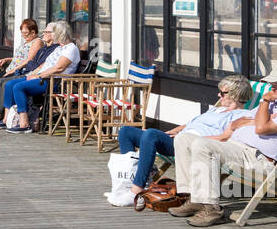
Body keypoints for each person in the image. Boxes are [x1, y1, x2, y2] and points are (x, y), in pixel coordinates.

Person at [168, 62, 277, 227]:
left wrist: (264, 101)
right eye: (271, 84)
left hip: (257, 157)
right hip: (236, 146)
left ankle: (211, 208)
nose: (272, 87)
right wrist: (261, 118)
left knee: (202, 146)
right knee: (183, 138)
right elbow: (237, 122)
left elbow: (261, 128)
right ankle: (194, 198)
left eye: (276, 83)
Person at [107, 75, 253, 206]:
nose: (218, 95)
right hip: (178, 138)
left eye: (223, 92)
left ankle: (136, 190)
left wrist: (185, 137)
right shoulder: (217, 109)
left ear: (235, 95)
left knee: (150, 134)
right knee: (126, 131)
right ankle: (127, 184)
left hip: (191, 145)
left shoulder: (241, 116)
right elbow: (190, 124)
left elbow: (224, 138)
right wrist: (173, 131)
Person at [2, 20, 80, 134]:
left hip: (53, 82)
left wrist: (38, 76)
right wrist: (32, 74)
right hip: (42, 77)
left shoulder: (71, 49)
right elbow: (45, 65)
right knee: (10, 84)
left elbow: (58, 68)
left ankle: (24, 124)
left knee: (18, 87)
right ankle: (6, 120)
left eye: (54, 33)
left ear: (61, 34)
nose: (52, 35)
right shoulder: (59, 48)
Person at [0, 24, 57, 127]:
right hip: (25, 71)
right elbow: (31, 62)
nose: (44, 34)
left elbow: (35, 63)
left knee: (6, 83)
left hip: (34, 75)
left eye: (46, 32)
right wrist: (9, 61)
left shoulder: (43, 44)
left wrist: (21, 69)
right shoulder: (43, 49)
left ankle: (0, 116)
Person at [0, 18, 41, 93]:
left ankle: (0, 99)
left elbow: (29, 59)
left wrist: (14, 70)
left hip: (20, 71)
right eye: (22, 33)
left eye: (25, 33)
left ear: (33, 32)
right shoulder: (27, 41)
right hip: (10, 69)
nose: (23, 35)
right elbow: (20, 57)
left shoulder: (37, 41)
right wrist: (7, 59)